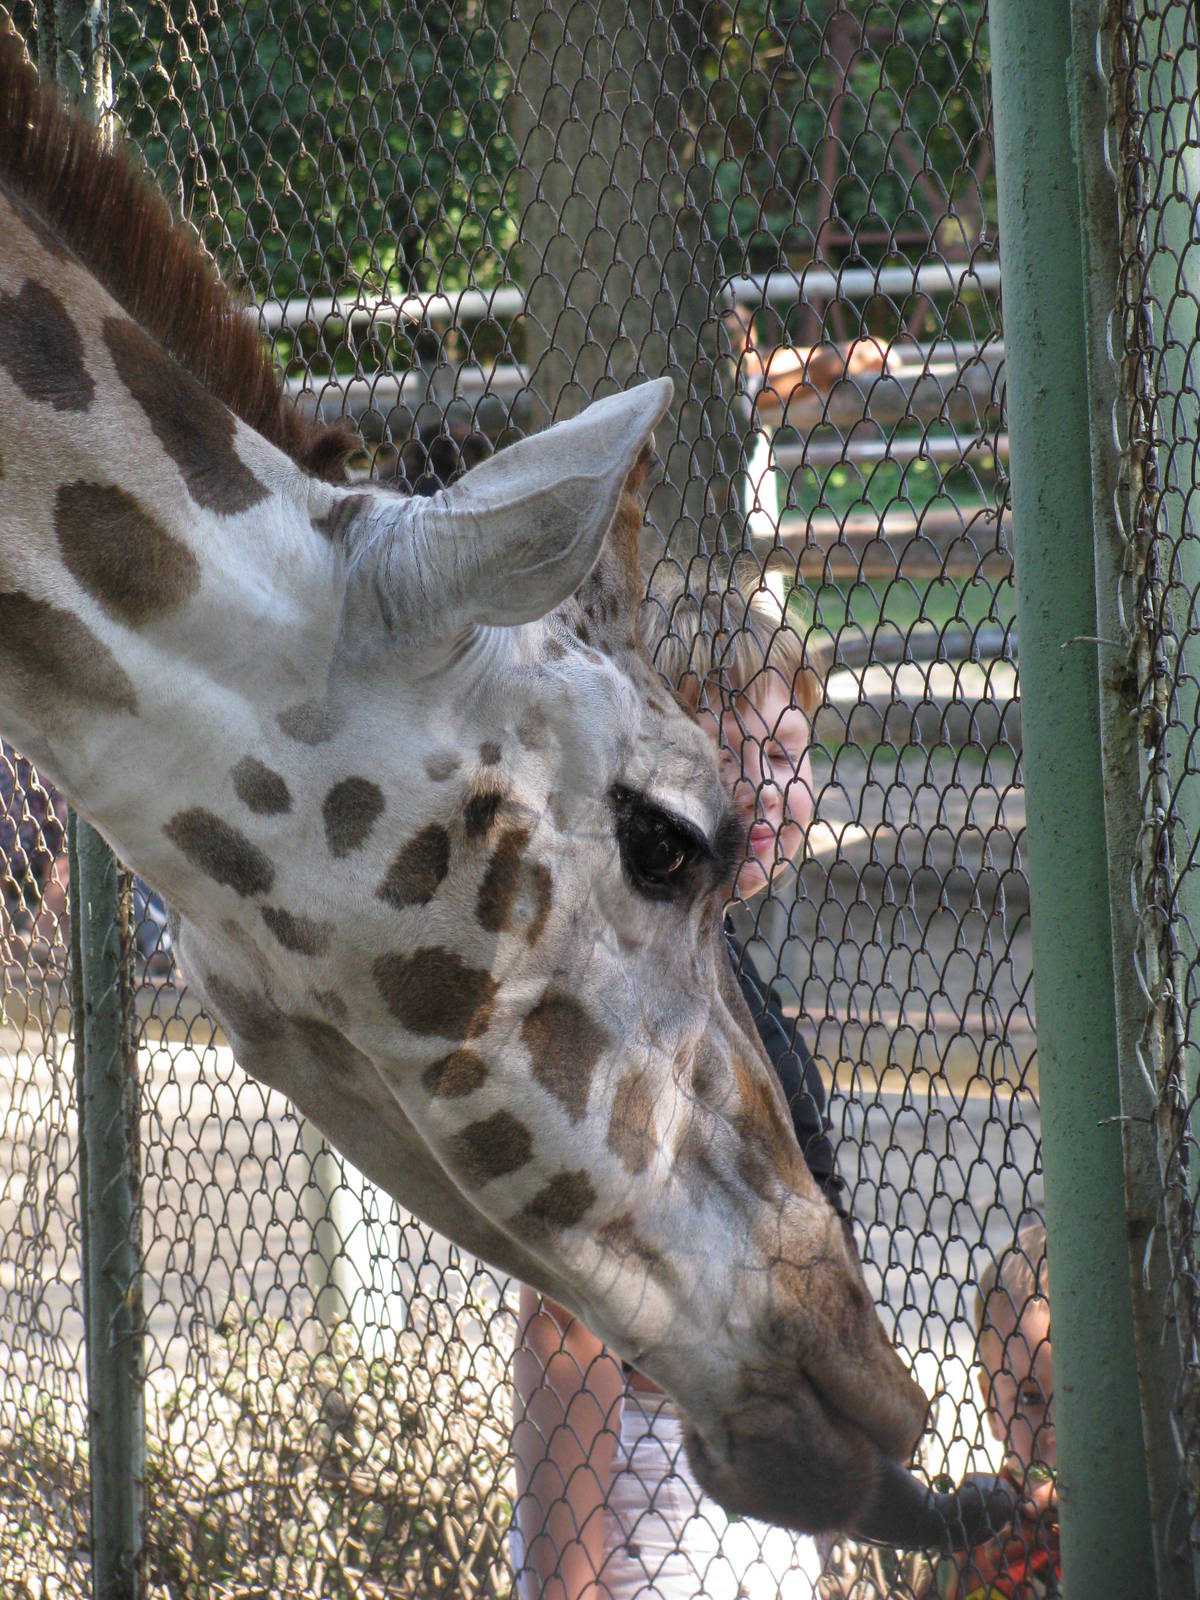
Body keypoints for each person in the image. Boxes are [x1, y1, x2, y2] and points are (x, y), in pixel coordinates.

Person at [510, 567, 839, 1600]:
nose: (793, 790)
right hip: (664, 1507)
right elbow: (566, 1314)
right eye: (765, 756)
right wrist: (573, 1578)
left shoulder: (703, 957)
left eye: (800, 756)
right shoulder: (633, 973)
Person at [919, 1220, 1059, 1600]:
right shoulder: (975, 1539)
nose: (1054, 1428)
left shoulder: (1134, 1520)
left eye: (1075, 1398)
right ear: (992, 1406)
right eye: (1029, 1399)